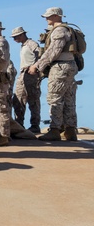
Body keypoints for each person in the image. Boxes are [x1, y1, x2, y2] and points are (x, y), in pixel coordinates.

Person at [28, 7, 81, 141]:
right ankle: (70, 130)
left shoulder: (59, 31)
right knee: (69, 98)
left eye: (49, 16)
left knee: (55, 98)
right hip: (69, 66)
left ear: (57, 16)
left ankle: (55, 130)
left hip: (60, 66)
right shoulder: (67, 29)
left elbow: (53, 51)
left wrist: (38, 66)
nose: (46, 19)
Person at [11, 26, 42, 133]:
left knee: (33, 100)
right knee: (18, 99)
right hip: (23, 73)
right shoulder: (24, 45)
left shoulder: (31, 44)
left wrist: (35, 67)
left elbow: (40, 55)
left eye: (16, 37)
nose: (14, 39)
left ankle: (35, 125)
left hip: (31, 73)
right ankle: (19, 124)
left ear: (22, 35)